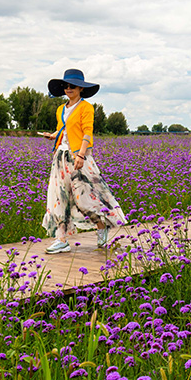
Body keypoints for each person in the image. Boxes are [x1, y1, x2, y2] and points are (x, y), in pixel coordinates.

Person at [37, 69, 126, 254]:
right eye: (66, 86)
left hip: (79, 157)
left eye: (72, 86)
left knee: (84, 199)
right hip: (61, 158)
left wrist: (81, 155)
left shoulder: (86, 107)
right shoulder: (61, 109)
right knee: (57, 199)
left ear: (81, 88)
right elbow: (62, 129)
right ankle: (61, 239)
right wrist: (52, 135)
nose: (68, 89)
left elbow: (87, 132)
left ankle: (102, 226)